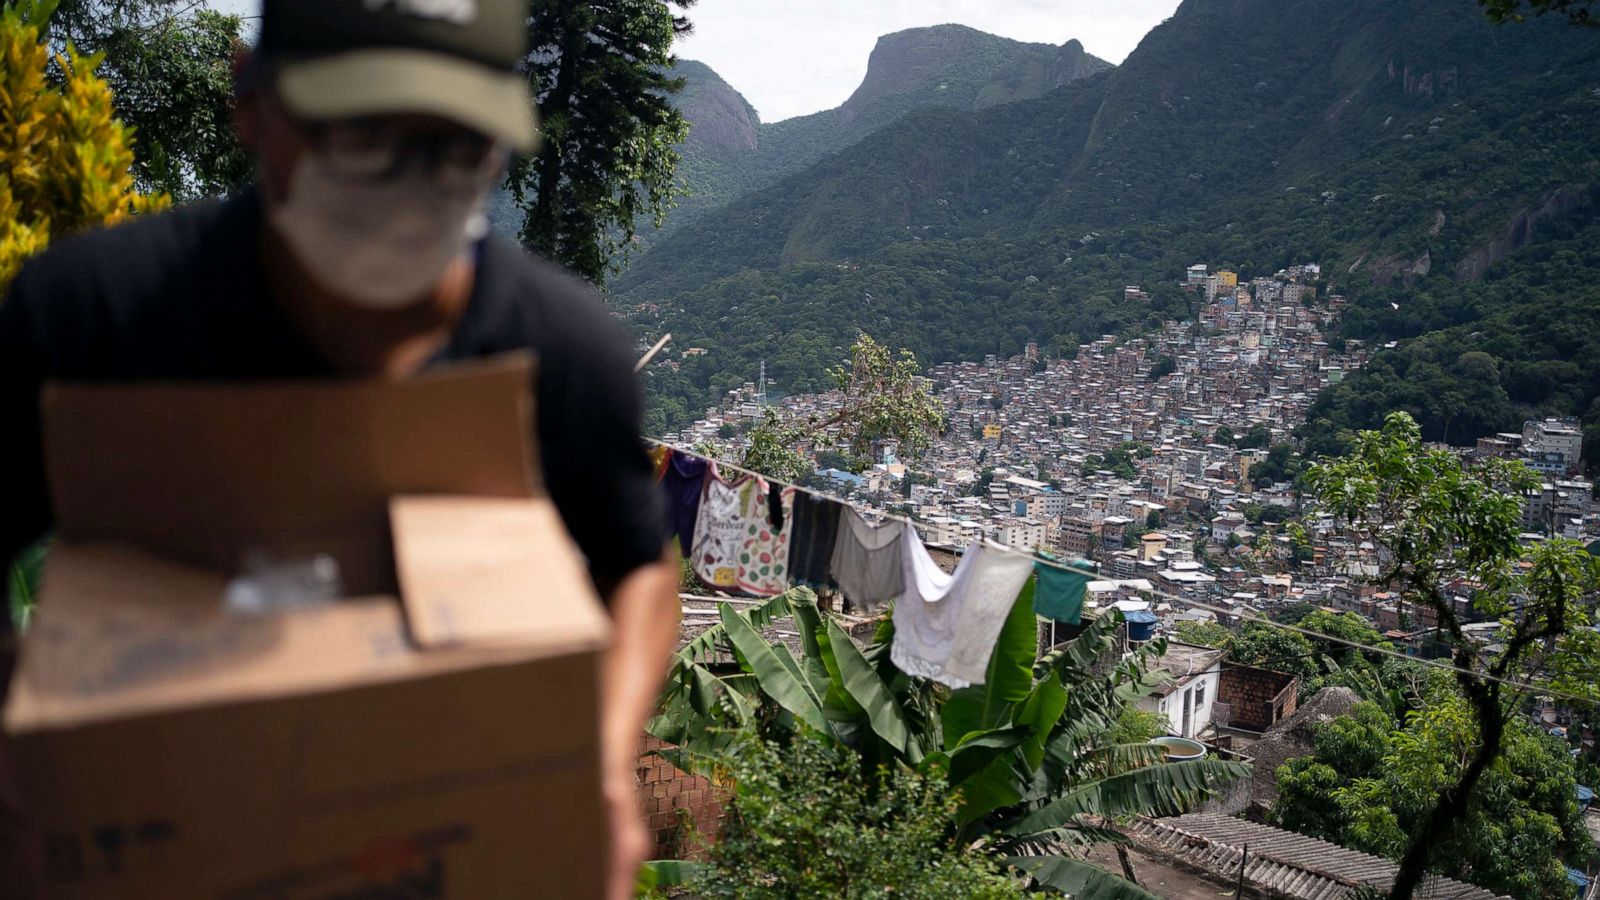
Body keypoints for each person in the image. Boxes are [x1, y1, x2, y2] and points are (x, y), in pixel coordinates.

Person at [0, 1, 679, 897]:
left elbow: (639, 567)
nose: (408, 186)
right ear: (252, 103)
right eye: (362, 134)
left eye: (455, 145)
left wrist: (600, 757)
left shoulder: (557, 355)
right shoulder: (93, 322)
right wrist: (36, 758)